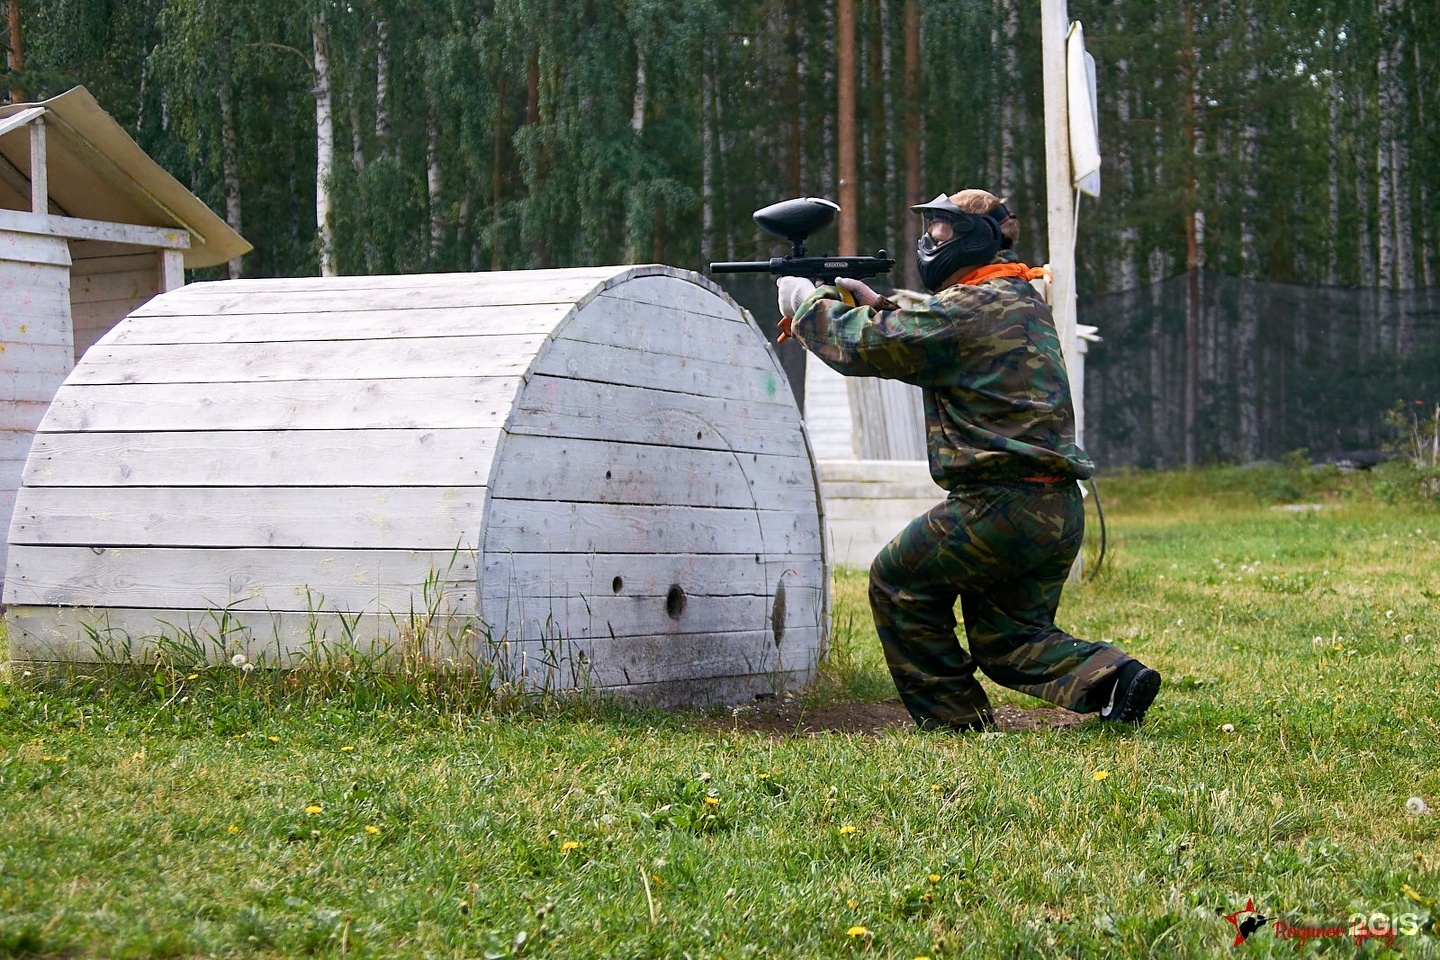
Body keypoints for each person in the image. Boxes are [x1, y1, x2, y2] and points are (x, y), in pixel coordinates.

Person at [776, 188, 1161, 731]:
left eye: (943, 229)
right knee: (1008, 639)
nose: (930, 239)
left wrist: (809, 304)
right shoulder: (1016, 296)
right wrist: (872, 302)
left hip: (1000, 504)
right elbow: (926, 335)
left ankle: (953, 722)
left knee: (897, 579)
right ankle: (1114, 677)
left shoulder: (968, 309)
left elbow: (872, 347)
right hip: (1053, 508)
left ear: (974, 238)